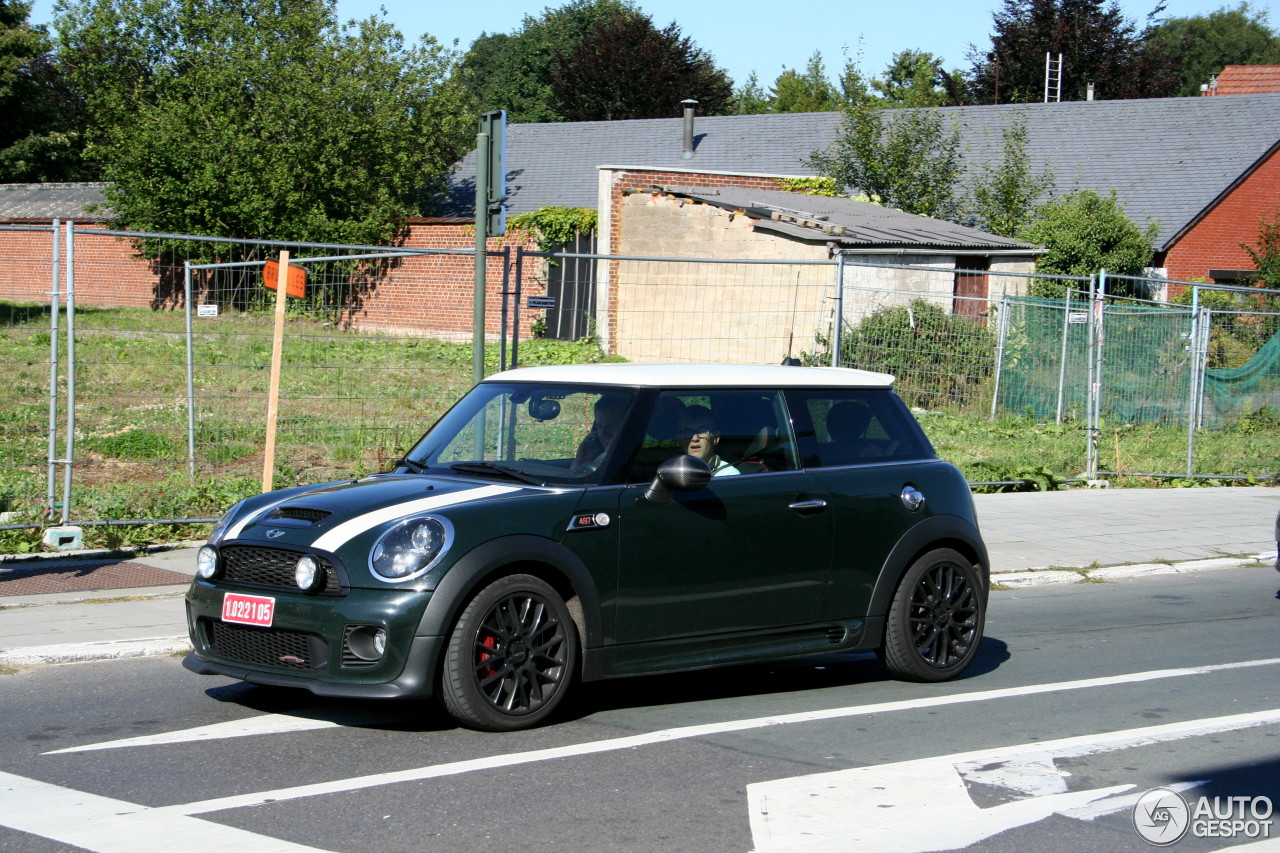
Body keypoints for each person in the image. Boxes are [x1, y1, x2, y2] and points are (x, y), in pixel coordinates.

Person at [677, 405, 740, 477]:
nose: (695, 438)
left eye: (702, 431)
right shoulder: (671, 473)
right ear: (679, 438)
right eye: (688, 431)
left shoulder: (729, 476)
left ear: (715, 438)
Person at [574, 394, 628, 471]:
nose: (603, 433)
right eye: (599, 426)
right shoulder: (599, 458)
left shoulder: (628, 460)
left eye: (610, 426)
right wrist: (581, 459)